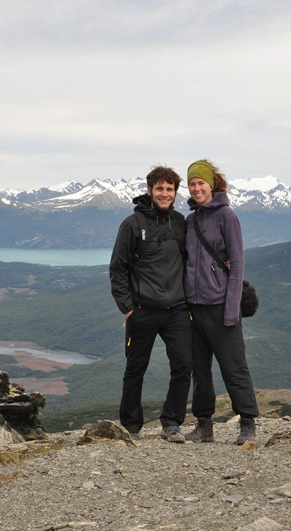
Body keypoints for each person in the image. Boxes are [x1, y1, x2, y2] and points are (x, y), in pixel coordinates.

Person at [109, 165, 192, 443]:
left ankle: (171, 423)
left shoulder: (180, 222)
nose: (165, 193)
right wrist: (128, 308)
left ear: (175, 193)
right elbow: (118, 268)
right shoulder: (132, 225)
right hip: (142, 310)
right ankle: (131, 427)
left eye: (170, 189)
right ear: (149, 190)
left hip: (177, 310)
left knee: (183, 365)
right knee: (135, 369)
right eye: (160, 189)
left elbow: (194, 259)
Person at [183, 159, 259, 445]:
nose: (196, 187)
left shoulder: (226, 216)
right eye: (192, 184)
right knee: (199, 369)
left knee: (233, 366)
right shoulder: (191, 221)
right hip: (194, 307)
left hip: (220, 305)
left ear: (212, 184)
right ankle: (204, 425)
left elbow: (237, 264)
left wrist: (231, 308)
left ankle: (248, 423)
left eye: (201, 182)